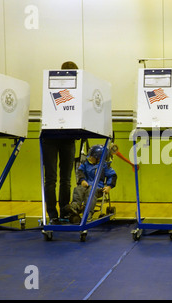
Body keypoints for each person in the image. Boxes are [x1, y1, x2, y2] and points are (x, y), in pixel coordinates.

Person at [42, 61, 78, 224]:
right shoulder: (53, 88)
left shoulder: (76, 91)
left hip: (63, 137)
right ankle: (58, 212)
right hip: (53, 136)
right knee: (60, 178)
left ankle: (58, 213)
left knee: (56, 178)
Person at [63, 144, 117, 223]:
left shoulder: (104, 166)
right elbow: (80, 172)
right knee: (78, 188)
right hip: (86, 185)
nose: (90, 158)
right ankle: (75, 206)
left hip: (97, 188)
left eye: (92, 156)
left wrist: (109, 186)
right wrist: (82, 180)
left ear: (99, 158)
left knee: (91, 191)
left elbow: (113, 176)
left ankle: (88, 213)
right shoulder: (86, 164)